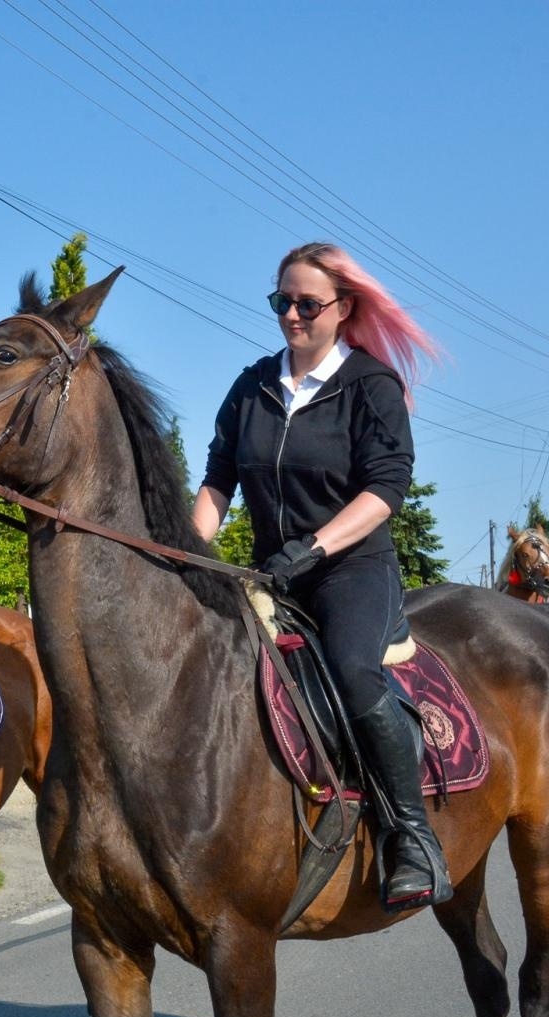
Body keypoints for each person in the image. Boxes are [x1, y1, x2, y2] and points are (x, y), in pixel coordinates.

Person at [192, 241, 445, 912]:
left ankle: (411, 836)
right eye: (283, 302)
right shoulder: (251, 385)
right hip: (274, 571)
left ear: (345, 308)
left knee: (353, 669)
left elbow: (386, 488)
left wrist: (314, 547)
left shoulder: (370, 385)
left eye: (308, 303)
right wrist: (184, 552)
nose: (293, 315)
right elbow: (219, 480)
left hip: (351, 568)